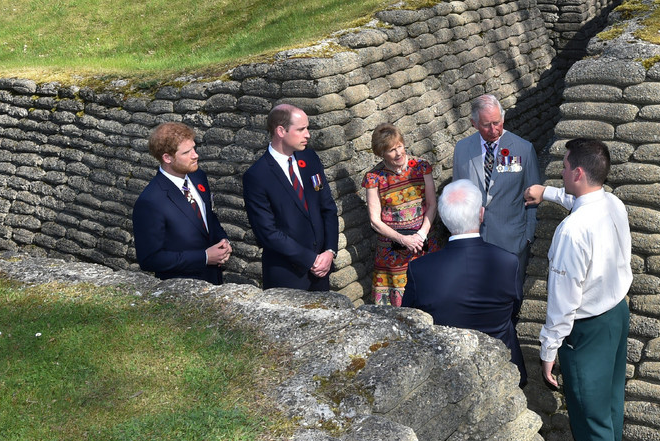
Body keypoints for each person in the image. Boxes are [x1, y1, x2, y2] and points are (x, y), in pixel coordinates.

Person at [524, 138, 632, 441]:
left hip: (586, 332)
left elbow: (563, 300)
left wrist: (548, 348)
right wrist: (546, 193)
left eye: (566, 165)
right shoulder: (612, 203)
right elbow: (580, 203)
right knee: (611, 404)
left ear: (578, 173)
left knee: (589, 417)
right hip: (616, 316)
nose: (562, 169)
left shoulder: (571, 232)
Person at [402, 179, 526, 386]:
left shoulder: (420, 269)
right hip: (502, 365)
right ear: (481, 214)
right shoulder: (508, 261)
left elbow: (410, 319)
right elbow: (514, 308)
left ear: (442, 217)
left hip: (448, 372)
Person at [243, 104, 339, 291]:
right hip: (287, 276)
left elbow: (327, 207)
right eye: (301, 129)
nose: (308, 134)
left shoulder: (310, 159)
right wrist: (310, 259)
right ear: (281, 130)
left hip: (321, 270)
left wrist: (329, 251)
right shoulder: (257, 176)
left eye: (307, 128)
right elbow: (267, 232)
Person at [451, 94, 541, 292]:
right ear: (473, 123)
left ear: (503, 117)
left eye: (497, 122)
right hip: (472, 242)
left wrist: (527, 237)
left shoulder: (523, 149)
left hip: (512, 241)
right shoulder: (462, 149)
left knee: (510, 296)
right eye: (486, 125)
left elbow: (534, 196)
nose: (493, 130)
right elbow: (456, 194)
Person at [132, 122, 232, 284]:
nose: (195, 155)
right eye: (187, 152)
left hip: (214, 280)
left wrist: (223, 241)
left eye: (194, 148)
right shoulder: (150, 201)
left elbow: (207, 216)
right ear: (167, 158)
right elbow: (149, 259)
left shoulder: (198, 176)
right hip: (180, 289)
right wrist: (205, 257)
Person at [362, 123, 440, 306]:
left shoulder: (421, 167)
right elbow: (375, 221)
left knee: (430, 291)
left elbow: (432, 204)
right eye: (391, 150)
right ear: (381, 153)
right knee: (398, 305)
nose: (398, 153)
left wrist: (421, 235)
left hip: (424, 243)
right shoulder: (374, 177)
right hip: (392, 251)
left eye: (399, 146)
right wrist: (403, 240)